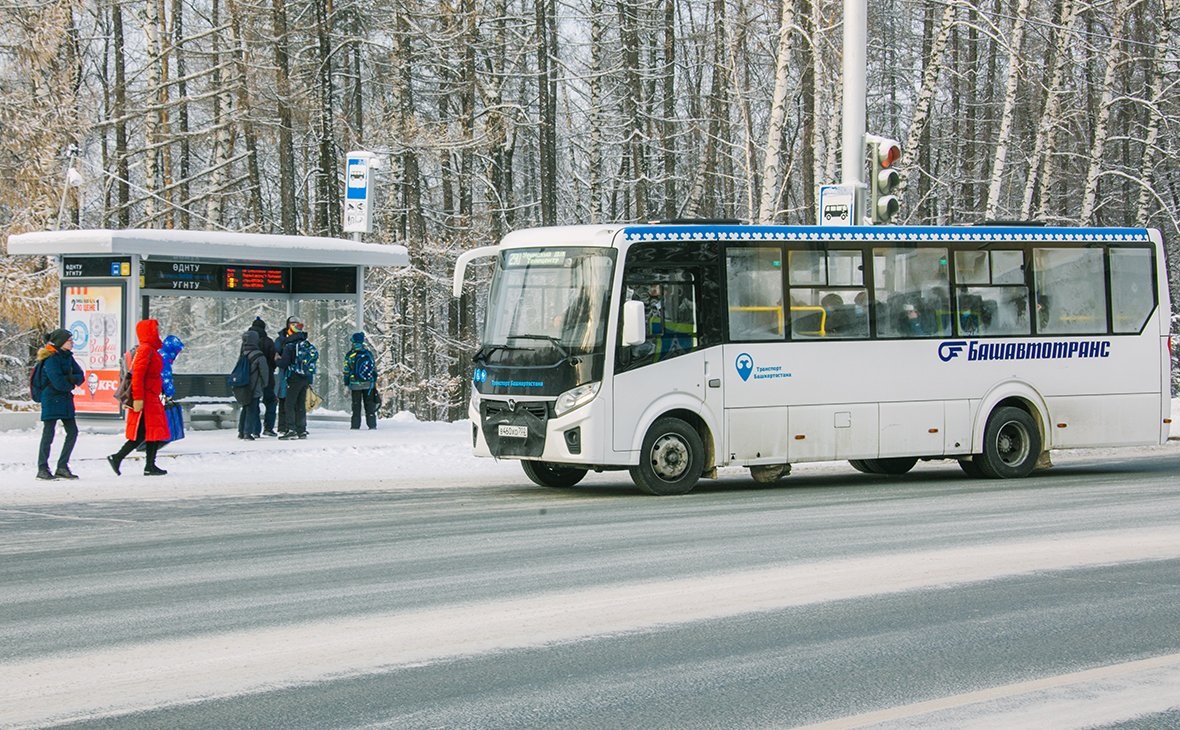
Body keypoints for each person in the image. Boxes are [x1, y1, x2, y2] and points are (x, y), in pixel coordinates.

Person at [107, 319, 171, 476]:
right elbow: (138, 376)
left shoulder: (150, 350)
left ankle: (149, 465)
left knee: (153, 433)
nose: (158, 332)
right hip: (146, 398)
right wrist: (138, 399)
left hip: (151, 397)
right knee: (142, 433)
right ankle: (118, 457)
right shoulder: (146, 350)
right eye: (155, 329)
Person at [34, 328, 85, 480]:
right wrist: (71, 382)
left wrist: (70, 379)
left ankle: (62, 466)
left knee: (72, 432)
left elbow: (80, 375)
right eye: (69, 340)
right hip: (51, 399)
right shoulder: (51, 358)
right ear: (61, 342)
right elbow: (58, 381)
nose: (72, 343)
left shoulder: (67, 356)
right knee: (48, 434)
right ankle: (42, 468)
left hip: (65, 399)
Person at [277, 320, 313, 440]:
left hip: (293, 378)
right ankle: (301, 430)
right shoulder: (306, 344)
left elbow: (284, 363)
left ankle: (291, 429)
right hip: (305, 378)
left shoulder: (290, 346)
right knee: (300, 404)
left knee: (289, 403)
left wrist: (277, 359)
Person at [236, 330, 270, 440]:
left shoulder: (243, 354)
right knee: (252, 409)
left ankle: (241, 431)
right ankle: (248, 432)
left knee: (245, 408)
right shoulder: (258, 355)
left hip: (243, 386)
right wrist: (264, 384)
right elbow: (264, 372)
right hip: (255, 386)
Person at [342, 332, 379, 430]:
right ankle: (372, 425)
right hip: (368, 384)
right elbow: (374, 369)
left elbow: (346, 371)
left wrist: (346, 384)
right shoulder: (368, 354)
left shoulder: (350, 355)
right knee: (369, 406)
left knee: (356, 406)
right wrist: (373, 381)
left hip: (355, 384)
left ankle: (355, 426)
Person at [249, 317, 278, 436]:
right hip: (268, 376)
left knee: (254, 402)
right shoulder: (268, 341)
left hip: (252, 378)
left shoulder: (247, 342)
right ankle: (268, 427)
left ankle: (255, 429)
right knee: (271, 401)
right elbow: (273, 359)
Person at [273, 316, 299, 435]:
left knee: (292, 401)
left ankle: (291, 426)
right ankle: (283, 426)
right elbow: (277, 354)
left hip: (293, 374)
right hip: (285, 374)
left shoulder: (299, 338)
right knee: (284, 399)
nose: (294, 326)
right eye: (292, 324)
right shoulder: (281, 339)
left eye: (296, 324)